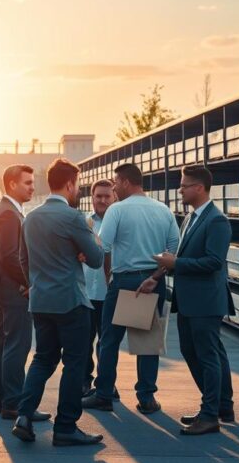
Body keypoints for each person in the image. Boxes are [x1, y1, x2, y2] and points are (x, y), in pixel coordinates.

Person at [12, 158, 105, 447]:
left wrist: (34, 285)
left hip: (40, 301)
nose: (77, 190)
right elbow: (97, 258)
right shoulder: (74, 217)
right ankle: (65, 426)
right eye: (77, 185)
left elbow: (22, 259)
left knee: (43, 358)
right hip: (70, 301)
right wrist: (84, 249)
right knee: (74, 363)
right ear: (69, 184)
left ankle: (23, 416)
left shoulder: (30, 218)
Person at [141, 165, 235, 435]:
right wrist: (158, 275)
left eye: (184, 185)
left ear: (199, 188)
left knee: (206, 356)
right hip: (190, 300)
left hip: (205, 301)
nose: (179, 189)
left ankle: (209, 415)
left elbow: (213, 262)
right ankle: (220, 406)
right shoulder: (190, 218)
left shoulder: (216, 221)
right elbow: (182, 259)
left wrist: (176, 262)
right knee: (197, 352)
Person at [83, 163, 179, 415]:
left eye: (115, 184)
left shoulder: (117, 210)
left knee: (110, 340)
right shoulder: (163, 210)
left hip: (124, 280)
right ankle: (146, 398)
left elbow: (102, 247)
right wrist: (156, 276)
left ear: (125, 182)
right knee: (147, 343)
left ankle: (103, 394)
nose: (113, 188)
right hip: (153, 281)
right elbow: (173, 251)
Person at [0, 165, 49, 422]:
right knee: (16, 346)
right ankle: (14, 403)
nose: (32, 187)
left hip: (3, 288)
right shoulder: (9, 214)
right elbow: (10, 256)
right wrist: (28, 282)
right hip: (14, 290)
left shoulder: (5, 210)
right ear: (12, 185)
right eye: (27, 183)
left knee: (1, 343)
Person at [83, 179, 116, 396]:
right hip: (85, 292)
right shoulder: (84, 223)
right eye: (98, 196)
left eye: (107, 196)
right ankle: (84, 381)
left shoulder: (119, 222)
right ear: (92, 198)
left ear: (114, 197)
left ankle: (106, 384)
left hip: (109, 292)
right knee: (84, 341)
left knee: (107, 343)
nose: (102, 200)